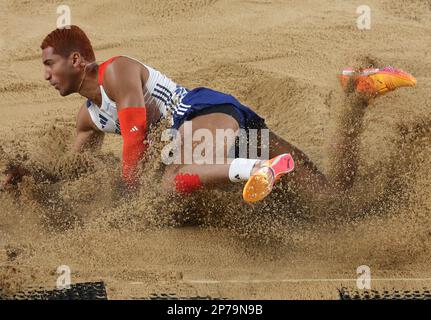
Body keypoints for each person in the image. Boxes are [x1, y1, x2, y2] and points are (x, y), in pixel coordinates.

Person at [0, 25, 417, 203]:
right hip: (229, 128)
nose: (45, 75)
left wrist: (130, 191)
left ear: (76, 60)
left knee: (164, 187)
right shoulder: (87, 118)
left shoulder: (116, 70)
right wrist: (36, 175)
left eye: (49, 64)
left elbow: (135, 132)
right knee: (333, 202)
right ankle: (355, 100)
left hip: (203, 114)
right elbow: (79, 166)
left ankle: (257, 166)